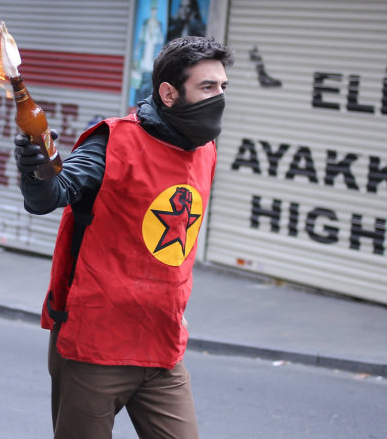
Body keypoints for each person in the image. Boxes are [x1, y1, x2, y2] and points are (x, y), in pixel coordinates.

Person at [14, 36, 234, 438]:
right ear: (168, 93)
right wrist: (35, 171)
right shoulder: (112, 142)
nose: (218, 97)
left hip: (162, 344)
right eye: (207, 87)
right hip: (95, 345)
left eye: (222, 87)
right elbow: (52, 193)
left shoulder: (205, 149)